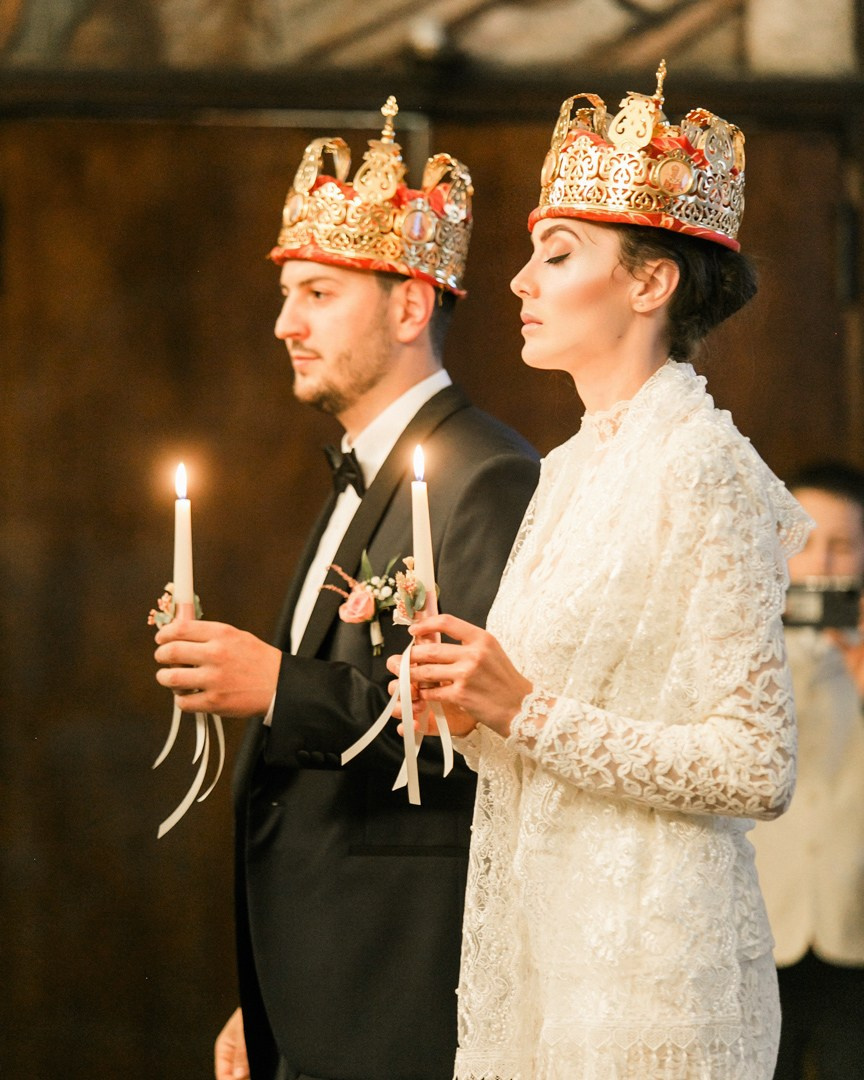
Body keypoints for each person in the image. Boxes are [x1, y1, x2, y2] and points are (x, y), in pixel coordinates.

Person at [389, 63, 812, 1079]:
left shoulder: (702, 465)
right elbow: (564, 719)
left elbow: (757, 765)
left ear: (649, 281)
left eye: (556, 254)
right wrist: (471, 714)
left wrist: (523, 710)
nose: (520, 282)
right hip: (552, 944)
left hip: (655, 976)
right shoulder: (572, 465)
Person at [152, 99, 539, 1080]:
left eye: (319, 292)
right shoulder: (364, 467)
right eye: (289, 294)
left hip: (400, 977)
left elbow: (476, 726)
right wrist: (270, 1000)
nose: (285, 323)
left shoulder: (482, 474)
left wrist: (278, 685)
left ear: (410, 306)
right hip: (317, 980)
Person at [750, 462, 864, 1080]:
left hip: (857, 919)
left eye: (843, 546)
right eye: (806, 544)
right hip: (769, 922)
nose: (822, 564)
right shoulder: (746, 652)